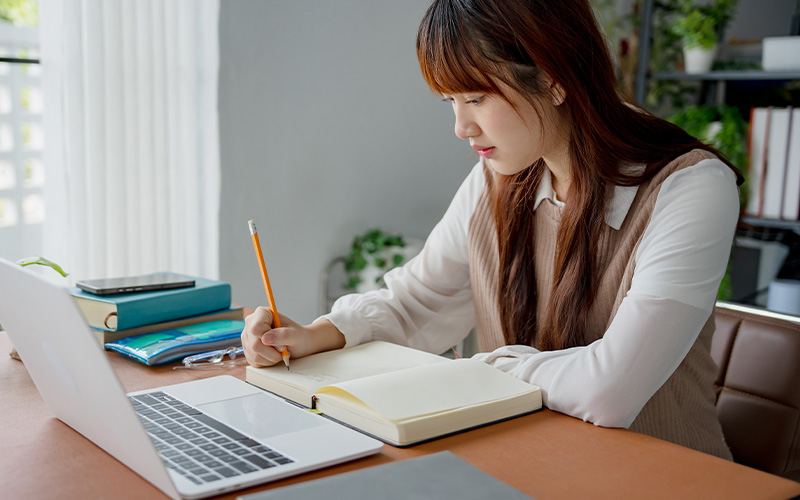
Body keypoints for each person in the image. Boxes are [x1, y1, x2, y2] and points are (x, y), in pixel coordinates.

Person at [242, 0, 742, 459]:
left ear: (552, 78)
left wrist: (486, 370)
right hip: (525, 461)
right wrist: (314, 335)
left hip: (662, 475)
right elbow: (421, 301)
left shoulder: (689, 188)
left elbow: (608, 391)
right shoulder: (499, 177)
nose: (461, 126)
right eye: (450, 101)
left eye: (476, 98)